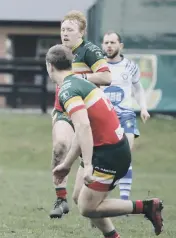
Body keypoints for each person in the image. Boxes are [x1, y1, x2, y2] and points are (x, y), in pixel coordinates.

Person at [48, 44, 163, 237]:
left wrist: (88, 164)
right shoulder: (78, 83)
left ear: (49, 66)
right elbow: (82, 130)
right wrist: (67, 164)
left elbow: (83, 127)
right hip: (110, 148)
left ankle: (148, 207)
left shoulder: (67, 90)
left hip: (110, 153)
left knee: (87, 207)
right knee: (78, 196)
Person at [49, 10, 112, 218]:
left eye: (70, 30)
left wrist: (80, 77)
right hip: (64, 110)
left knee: (82, 194)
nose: (65, 34)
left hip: (88, 113)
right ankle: (60, 199)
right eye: (62, 30)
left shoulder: (90, 51)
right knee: (60, 146)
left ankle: (96, 207)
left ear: (81, 32)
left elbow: (106, 77)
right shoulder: (59, 52)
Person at [101, 31, 151, 201]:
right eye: (106, 42)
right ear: (102, 45)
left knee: (126, 153)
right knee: (104, 159)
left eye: (112, 42)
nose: (109, 45)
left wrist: (143, 108)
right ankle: (101, 197)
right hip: (104, 118)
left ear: (120, 46)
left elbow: (138, 89)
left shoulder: (130, 66)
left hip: (125, 116)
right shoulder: (98, 66)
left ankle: (124, 199)